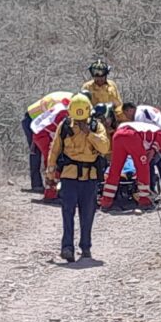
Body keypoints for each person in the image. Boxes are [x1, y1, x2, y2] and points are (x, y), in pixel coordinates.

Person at [47, 94, 109, 263]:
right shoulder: (65, 126)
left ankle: (86, 247)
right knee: (67, 213)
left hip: (90, 178)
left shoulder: (97, 126)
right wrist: (50, 172)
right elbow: (55, 149)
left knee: (87, 214)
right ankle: (67, 248)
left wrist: (89, 134)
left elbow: (104, 147)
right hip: (69, 176)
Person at [99, 122, 161, 211]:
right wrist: (152, 152)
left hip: (118, 135)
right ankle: (144, 200)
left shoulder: (149, 129)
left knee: (115, 169)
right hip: (132, 136)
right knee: (143, 169)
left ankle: (106, 201)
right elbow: (150, 155)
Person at [121, 102, 161, 196]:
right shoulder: (144, 108)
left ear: (129, 110)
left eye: (126, 114)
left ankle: (151, 190)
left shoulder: (139, 116)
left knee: (149, 162)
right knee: (159, 161)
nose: (127, 118)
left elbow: (146, 134)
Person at [23, 91, 73, 192]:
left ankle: (52, 185)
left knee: (52, 154)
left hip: (44, 125)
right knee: (38, 153)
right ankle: (40, 185)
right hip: (33, 121)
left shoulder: (70, 102)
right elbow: (52, 122)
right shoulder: (58, 106)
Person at [31, 100, 71, 202]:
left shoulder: (58, 107)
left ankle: (51, 191)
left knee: (51, 163)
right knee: (52, 163)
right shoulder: (63, 112)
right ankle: (50, 194)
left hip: (40, 134)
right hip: (43, 136)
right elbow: (62, 130)